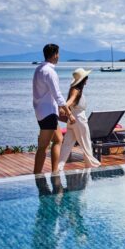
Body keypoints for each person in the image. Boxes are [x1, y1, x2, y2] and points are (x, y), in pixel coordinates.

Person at [32, 44, 74, 174]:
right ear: (55, 54)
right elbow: (58, 95)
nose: (59, 56)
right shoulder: (50, 72)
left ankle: (55, 171)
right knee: (43, 146)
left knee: (58, 139)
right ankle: (37, 175)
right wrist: (69, 113)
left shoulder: (39, 69)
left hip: (42, 111)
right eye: (58, 54)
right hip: (48, 113)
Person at [57, 68, 100, 170]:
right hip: (79, 120)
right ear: (83, 79)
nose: (87, 79)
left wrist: (65, 110)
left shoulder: (75, 90)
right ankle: (93, 166)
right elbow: (69, 102)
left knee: (67, 145)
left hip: (72, 120)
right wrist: (63, 108)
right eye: (86, 77)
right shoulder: (76, 90)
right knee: (86, 144)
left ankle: (58, 167)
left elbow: (70, 102)